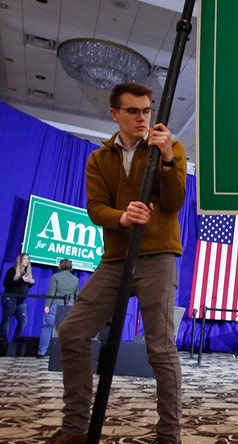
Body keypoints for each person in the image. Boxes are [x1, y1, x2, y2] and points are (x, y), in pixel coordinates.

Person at [48, 82, 187, 444]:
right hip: (116, 258)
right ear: (115, 114)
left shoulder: (169, 147)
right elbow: (96, 208)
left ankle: (169, 436)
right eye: (133, 111)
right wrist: (122, 217)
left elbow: (174, 203)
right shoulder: (99, 158)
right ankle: (75, 428)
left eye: (146, 110)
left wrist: (168, 160)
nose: (142, 118)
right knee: (72, 332)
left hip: (158, 256)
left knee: (160, 346)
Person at [37, 259, 80, 358]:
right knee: (66, 331)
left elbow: (51, 293)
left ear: (60, 266)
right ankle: (62, 353)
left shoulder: (55, 277)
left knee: (47, 328)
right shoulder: (76, 279)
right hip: (69, 307)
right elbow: (76, 294)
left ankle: (42, 352)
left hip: (55, 305)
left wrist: (47, 306)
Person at [2, 253, 34, 342]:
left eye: (28, 259)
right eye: (24, 259)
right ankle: (3, 343)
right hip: (10, 298)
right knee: (6, 321)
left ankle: (15, 344)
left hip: (21, 301)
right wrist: (21, 280)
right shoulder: (12, 270)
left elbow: (23, 287)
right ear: (20, 260)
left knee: (23, 321)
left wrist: (31, 283)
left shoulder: (27, 273)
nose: (27, 261)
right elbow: (6, 284)